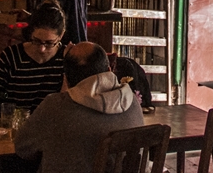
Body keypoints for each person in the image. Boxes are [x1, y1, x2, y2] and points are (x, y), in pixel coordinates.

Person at [15, 42, 144, 173]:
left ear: (66, 79)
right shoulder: (132, 101)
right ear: (109, 70)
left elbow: (22, 148)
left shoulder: (54, 107)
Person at [0, 1, 67, 112]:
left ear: (61, 35)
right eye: (36, 40)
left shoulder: (66, 58)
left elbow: (66, 106)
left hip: (49, 127)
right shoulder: (11, 56)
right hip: (13, 125)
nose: (42, 48)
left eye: (49, 43)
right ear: (31, 32)